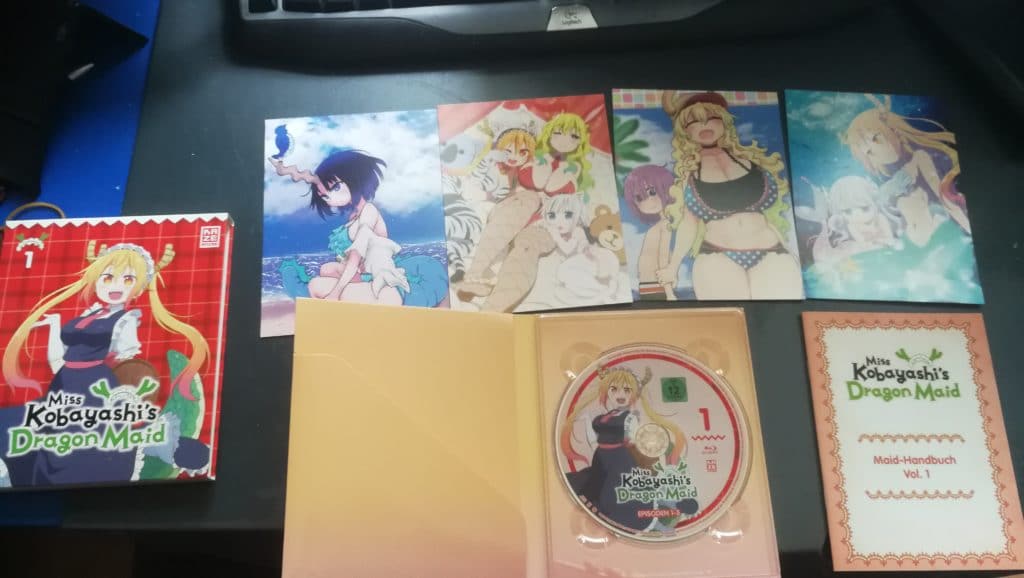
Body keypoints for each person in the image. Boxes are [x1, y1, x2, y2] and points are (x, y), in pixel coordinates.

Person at [1, 242, 208, 485]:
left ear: (139, 287)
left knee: (87, 438)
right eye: (108, 277)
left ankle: (167, 446)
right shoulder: (91, 312)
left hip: (96, 385)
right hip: (64, 383)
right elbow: (59, 360)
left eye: (128, 279)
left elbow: (128, 364)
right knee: (19, 424)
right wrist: (54, 325)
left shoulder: (126, 320)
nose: (116, 286)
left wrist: (128, 398)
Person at [658, 92, 801, 300]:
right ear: (685, 131)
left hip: (773, 252)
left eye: (711, 117)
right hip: (717, 256)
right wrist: (673, 267)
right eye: (693, 121)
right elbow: (688, 224)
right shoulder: (690, 175)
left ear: (724, 121)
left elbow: (778, 212)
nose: (704, 124)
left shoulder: (751, 161)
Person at [456, 113, 594, 311]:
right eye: (558, 133)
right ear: (548, 134)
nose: (564, 140)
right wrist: (546, 161)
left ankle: (492, 310)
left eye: (574, 136)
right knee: (528, 199)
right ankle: (474, 276)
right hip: (517, 207)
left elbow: (552, 186)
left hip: (545, 222)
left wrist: (564, 167)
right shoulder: (535, 157)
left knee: (527, 248)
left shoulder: (575, 170)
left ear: (581, 142)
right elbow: (538, 181)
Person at [560, 366, 685, 532]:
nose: (621, 395)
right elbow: (595, 440)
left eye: (627, 390)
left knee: (613, 493)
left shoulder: (630, 417)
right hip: (601, 457)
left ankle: (628, 518)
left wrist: (649, 453)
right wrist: (586, 421)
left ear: (634, 394)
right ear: (606, 391)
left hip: (619, 461)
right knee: (591, 485)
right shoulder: (603, 416)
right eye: (614, 389)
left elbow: (634, 441)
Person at [623, 165, 676, 301]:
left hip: (651, 285)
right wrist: (669, 292)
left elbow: (663, 258)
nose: (648, 201)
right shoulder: (663, 225)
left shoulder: (661, 225)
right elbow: (662, 258)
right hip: (655, 285)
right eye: (639, 198)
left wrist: (670, 288)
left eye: (652, 192)